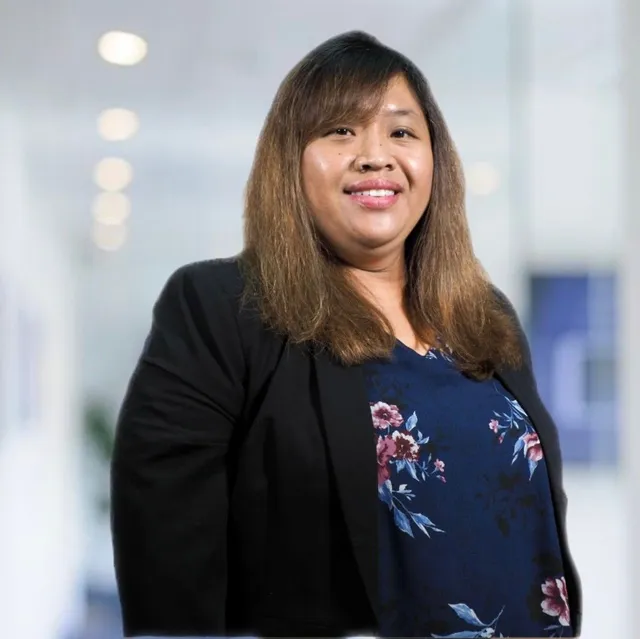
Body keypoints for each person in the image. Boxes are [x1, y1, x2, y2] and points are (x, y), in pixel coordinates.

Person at [110, 30, 582, 638]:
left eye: (402, 132)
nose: (375, 155)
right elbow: (167, 568)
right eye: (340, 130)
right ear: (291, 159)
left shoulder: (484, 316)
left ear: (434, 159)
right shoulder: (221, 310)